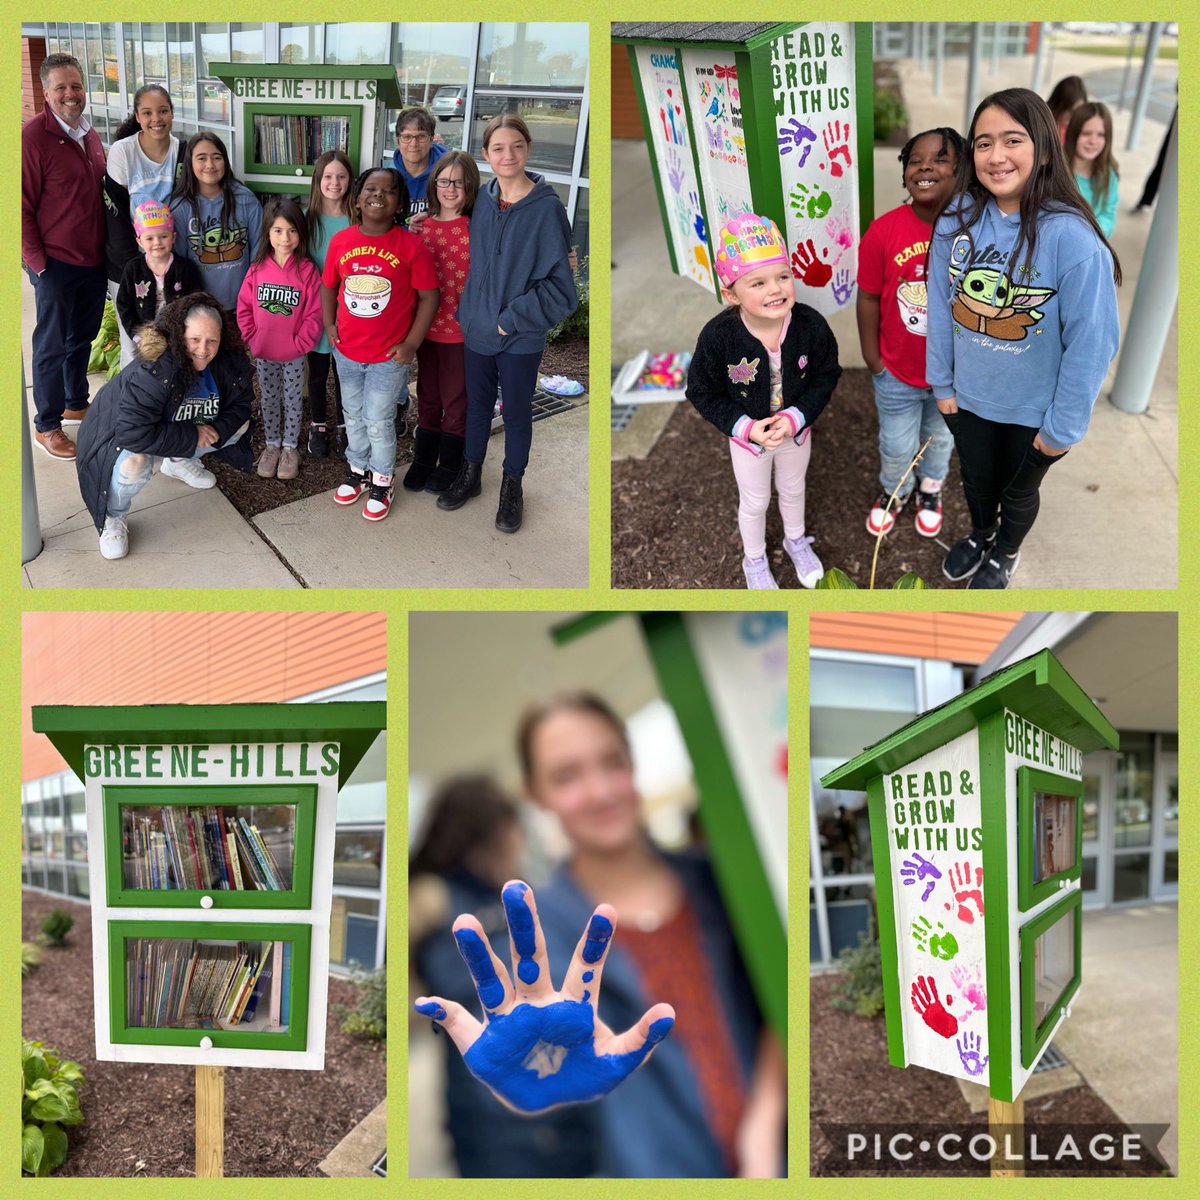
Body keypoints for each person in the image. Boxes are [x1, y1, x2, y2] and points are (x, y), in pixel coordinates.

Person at [415, 692, 786, 1178]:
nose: (600, 791)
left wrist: (765, 1120)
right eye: (566, 776)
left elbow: (781, 997)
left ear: (633, 762)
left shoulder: (720, 881)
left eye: (612, 762)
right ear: (535, 795)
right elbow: (524, 1096)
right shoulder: (535, 937)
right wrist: (525, 1096)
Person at [928, 88, 1121, 589]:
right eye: (983, 142)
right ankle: (981, 534)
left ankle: (1005, 552)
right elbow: (940, 305)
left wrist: (1061, 429)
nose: (996, 156)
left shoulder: (1072, 239)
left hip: (1034, 413)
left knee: (1017, 493)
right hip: (968, 398)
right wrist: (942, 385)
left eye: (1012, 140)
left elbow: (1092, 345)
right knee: (976, 482)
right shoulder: (956, 218)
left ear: (1045, 148)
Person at [409, 776, 595, 1177]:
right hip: (494, 1121)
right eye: (515, 832)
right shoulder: (432, 901)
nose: (521, 843)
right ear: (490, 837)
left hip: (554, 1108)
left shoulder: (506, 896)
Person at [685, 213, 841, 589]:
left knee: (793, 488)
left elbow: (826, 373)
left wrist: (797, 417)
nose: (775, 289)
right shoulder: (718, 337)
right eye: (758, 282)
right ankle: (754, 559)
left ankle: (795, 540)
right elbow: (701, 390)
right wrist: (747, 428)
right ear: (732, 294)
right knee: (755, 501)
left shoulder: (811, 326)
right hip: (749, 441)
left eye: (783, 277)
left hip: (795, 434)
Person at [438, 115, 578, 534]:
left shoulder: (547, 209)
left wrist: (509, 320)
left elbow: (561, 289)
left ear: (528, 148)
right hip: (477, 328)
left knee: (516, 414)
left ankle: (512, 487)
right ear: (486, 154)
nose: (508, 155)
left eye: (516, 146)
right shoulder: (483, 200)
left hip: (520, 335)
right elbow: (448, 218)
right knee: (477, 407)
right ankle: (471, 474)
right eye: (498, 148)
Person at [74, 292, 254, 560]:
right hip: (117, 437)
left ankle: (177, 462)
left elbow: (240, 406)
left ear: (221, 338)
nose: (203, 349)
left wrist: (216, 431)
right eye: (194, 339)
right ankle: (112, 516)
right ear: (179, 335)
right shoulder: (157, 368)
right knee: (134, 463)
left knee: (240, 426)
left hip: (172, 430)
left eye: (211, 340)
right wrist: (192, 435)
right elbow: (133, 433)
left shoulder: (228, 361)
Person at [858, 128, 964, 539]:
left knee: (939, 440)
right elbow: (868, 297)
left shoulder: (973, 232)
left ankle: (930, 489)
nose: (925, 167)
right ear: (904, 174)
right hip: (896, 372)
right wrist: (873, 359)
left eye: (940, 159)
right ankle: (895, 490)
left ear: (961, 171)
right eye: (915, 160)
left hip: (950, 378)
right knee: (897, 444)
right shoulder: (883, 232)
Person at [321, 168, 439, 522]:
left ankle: (382, 480)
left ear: (400, 203)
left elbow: (429, 298)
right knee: (352, 414)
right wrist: (329, 324)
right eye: (370, 188)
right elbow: (329, 285)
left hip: (389, 356)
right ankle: (358, 470)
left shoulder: (411, 246)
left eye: (388, 191)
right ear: (357, 199)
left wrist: (412, 343)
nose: (378, 195)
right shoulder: (341, 241)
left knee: (377, 419)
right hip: (347, 352)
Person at [21, 52, 109, 460]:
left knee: (82, 337)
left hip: (92, 259)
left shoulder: (89, 134)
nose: (70, 94)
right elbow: (18, 207)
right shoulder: (32, 138)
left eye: (76, 86)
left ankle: (75, 401)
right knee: (51, 346)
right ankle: (47, 424)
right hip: (55, 263)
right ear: (46, 92)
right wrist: (40, 265)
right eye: (61, 87)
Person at [406, 151, 479, 493]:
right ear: (434, 184)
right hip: (426, 328)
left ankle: (450, 463)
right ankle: (423, 458)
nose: (450, 189)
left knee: (455, 398)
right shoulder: (421, 228)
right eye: (444, 181)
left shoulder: (477, 227)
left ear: (470, 186)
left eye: (459, 182)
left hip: (461, 331)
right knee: (428, 394)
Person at [237, 198, 323, 481]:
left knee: (293, 400)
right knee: (270, 398)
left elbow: (315, 313)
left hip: (293, 353)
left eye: (292, 230)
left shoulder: (307, 270)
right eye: (278, 230)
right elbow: (244, 306)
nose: (285, 238)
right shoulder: (257, 269)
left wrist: (300, 344)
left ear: (300, 233)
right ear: (268, 233)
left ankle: (289, 447)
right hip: (264, 350)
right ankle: (272, 444)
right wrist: (252, 337)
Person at [103, 84, 186, 366]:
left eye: (162, 111)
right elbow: (115, 215)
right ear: (137, 116)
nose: (156, 119)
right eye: (147, 113)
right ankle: (133, 395)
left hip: (170, 262)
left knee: (174, 341)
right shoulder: (123, 151)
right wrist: (136, 267)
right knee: (135, 344)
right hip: (129, 264)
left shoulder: (182, 151)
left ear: (172, 113)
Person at [169, 131, 262, 312]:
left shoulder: (246, 200)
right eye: (201, 158)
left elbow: (258, 253)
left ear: (225, 161)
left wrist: (251, 300)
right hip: (199, 310)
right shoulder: (180, 207)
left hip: (243, 306)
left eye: (217, 157)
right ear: (190, 163)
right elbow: (178, 264)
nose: (210, 165)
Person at [303, 150, 354, 457]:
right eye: (328, 176)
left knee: (345, 374)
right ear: (318, 180)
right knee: (318, 373)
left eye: (341, 176)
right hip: (315, 310)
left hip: (350, 312)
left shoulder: (357, 219)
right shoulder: (306, 220)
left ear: (350, 180)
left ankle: (345, 424)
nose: (335, 183)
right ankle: (318, 423)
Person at [115, 201, 205, 348]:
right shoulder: (133, 269)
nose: (157, 242)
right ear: (139, 241)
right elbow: (124, 304)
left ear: (173, 237)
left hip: (180, 336)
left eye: (164, 236)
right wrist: (136, 335)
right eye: (149, 238)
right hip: (148, 340)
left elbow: (197, 300)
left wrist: (190, 331)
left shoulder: (184, 267)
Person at [1065, 102, 1119, 239]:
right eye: (1086, 133)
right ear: (1073, 133)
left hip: (1091, 242)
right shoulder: (1056, 170)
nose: (1093, 141)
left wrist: (1091, 233)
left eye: (1101, 134)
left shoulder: (1109, 174)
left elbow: (1108, 215)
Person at [391, 106, 448, 217]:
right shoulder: (388, 175)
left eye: (421, 136)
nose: (414, 143)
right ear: (398, 140)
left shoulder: (448, 174)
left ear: (431, 140)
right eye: (407, 137)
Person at [1046, 75, 1087, 143]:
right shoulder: (1042, 127)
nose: (1074, 116)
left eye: (1079, 111)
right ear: (1057, 105)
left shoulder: (1078, 130)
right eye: (1071, 111)